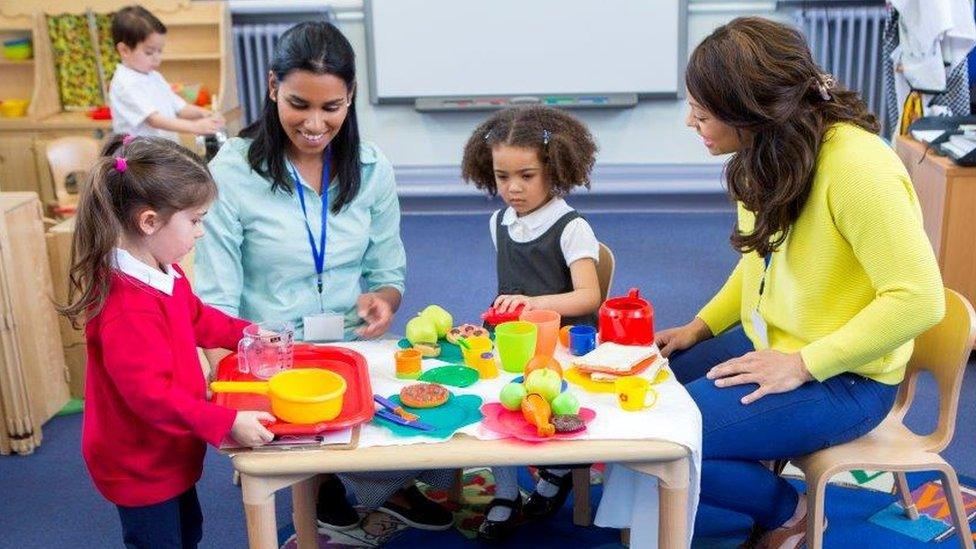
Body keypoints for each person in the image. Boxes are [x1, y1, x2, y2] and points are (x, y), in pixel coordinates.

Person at [645, 17, 943, 549]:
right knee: (641, 391)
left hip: (848, 376)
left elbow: (919, 299)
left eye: (703, 111)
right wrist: (700, 326)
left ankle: (792, 512)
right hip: (774, 342)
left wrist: (803, 364)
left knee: (666, 438)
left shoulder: (858, 167)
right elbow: (759, 262)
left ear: (749, 112)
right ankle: (746, 459)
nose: (691, 121)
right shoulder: (767, 154)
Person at [193, 21, 453, 532]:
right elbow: (215, 295)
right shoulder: (232, 171)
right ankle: (335, 480)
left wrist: (384, 298)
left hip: (348, 347)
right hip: (270, 353)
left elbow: (388, 271)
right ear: (272, 89)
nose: (314, 123)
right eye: (298, 104)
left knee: (440, 429)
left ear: (350, 98)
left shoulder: (372, 167)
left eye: (330, 107)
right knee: (318, 445)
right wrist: (233, 391)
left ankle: (353, 480)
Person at [59, 134, 274, 549]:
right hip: (140, 463)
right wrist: (225, 422)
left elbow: (195, 316)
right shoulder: (129, 309)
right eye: (194, 220)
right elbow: (151, 397)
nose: (201, 232)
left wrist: (244, 332)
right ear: (149, 221)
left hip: (168, 449)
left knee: (186, 533)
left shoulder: (163, 269)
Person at [460, 105, 602, 540]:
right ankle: (505, 492)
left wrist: (531, 301)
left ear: (554, 170)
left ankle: (557, 469)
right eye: (503, 177)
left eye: (527, 175)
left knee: (549, 400)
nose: (513, 189)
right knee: (493, 401)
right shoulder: (498, 222)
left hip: (561, 347)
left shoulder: (571, 226)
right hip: (514, 342)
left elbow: (589, 296)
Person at [109, 5, 224, 141]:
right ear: (124, 50)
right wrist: (194, 126)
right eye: (149, 52)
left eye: (160, 51)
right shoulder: (125, 83)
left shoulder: (154, 76)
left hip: (162, 151)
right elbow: (154, 120)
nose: (157, 58)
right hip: (140, 157)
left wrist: (204, 113)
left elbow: (180, 108)